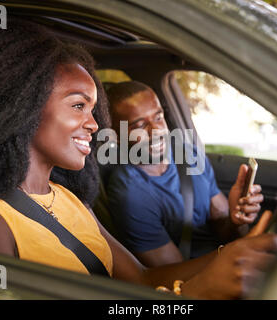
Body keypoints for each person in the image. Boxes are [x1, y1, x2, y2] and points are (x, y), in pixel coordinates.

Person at [0, 20, 277, 299]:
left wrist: (233, 255)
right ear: (22, 110)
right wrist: (191, 295)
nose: (95, 123)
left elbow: (144, 281)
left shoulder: (67, 199)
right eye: (78, 105)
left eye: (93, 107)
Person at [106, 81, 264, 267]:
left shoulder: (188, 155)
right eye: (140, 125)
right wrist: (242, 250)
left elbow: (222, 226)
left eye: (158, 118)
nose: (157, 130)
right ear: (115, 135)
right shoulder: (130, 193)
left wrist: (236, 219)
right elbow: (175, 274)